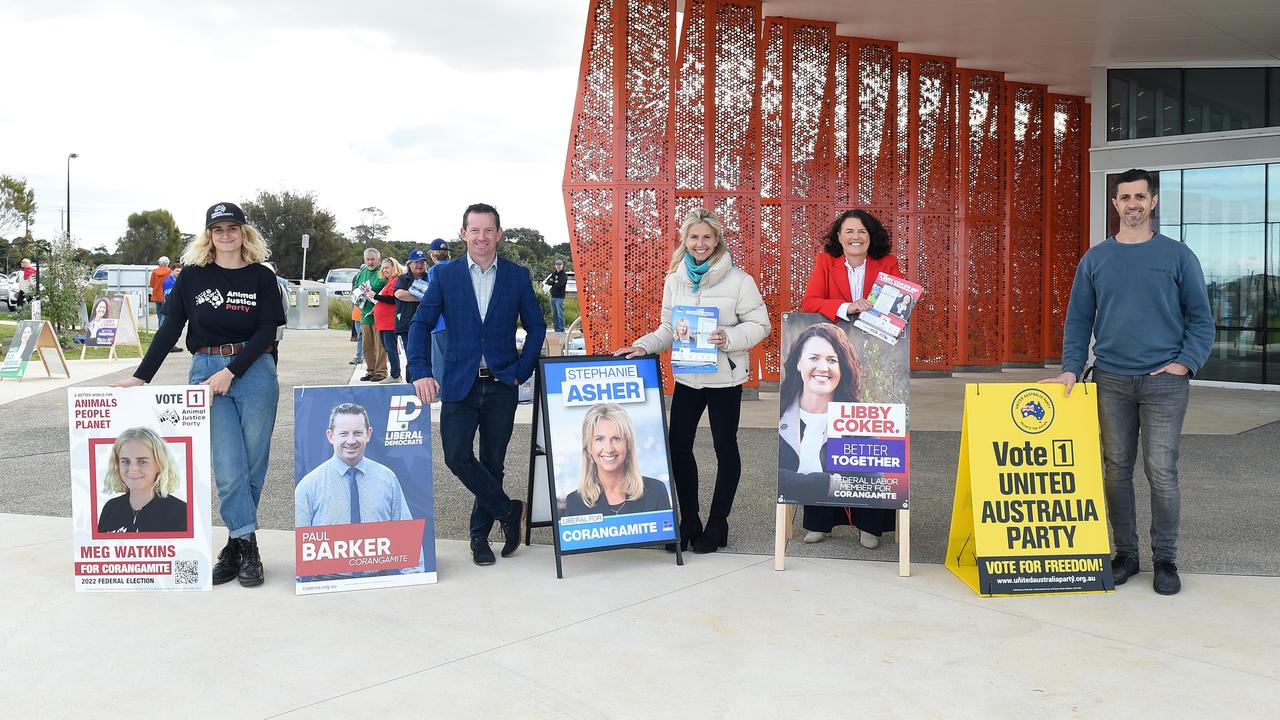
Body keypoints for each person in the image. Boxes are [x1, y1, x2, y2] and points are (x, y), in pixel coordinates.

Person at [1044, 168, 1214, 596]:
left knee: (1162, 471)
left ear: (1153, 202)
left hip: (1164, 383)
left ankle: (1165, 560)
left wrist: (1185, 363)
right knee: (1116, 470)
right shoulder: (1096, 259)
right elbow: (1079, 320)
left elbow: (1202, 319)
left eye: (1141, 196)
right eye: (1125, 197)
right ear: (1115, 204)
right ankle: (1126, 555)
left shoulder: (1178, 256)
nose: (1133, 204)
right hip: (1111, 380)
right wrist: (1071, 366)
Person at [114, 202, 285, 588]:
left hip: (254, 370)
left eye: (233, 229)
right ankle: (249, 546)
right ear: (208, 235)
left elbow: (265, 331)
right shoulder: (192, 277)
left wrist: (232, 371)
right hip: (205, 372)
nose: (226, 236)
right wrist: (141, 377)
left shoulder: (261, 277)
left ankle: (234, 545)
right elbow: (170, 328)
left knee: (253, 465)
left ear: (244, 233)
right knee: (227, 467)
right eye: (218, 229)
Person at [615, 207, 770, 554]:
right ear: (684, 240)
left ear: (717, 241)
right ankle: (690, 521)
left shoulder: (740, 280)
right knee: (678, 446)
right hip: (688, 377)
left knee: (724, 448)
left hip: (724, 378)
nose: (700, 243)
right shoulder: (675, 279)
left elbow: (761, 325)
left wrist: (727, 337)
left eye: (707, 237)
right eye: (694, 237)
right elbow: (668, 329)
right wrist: (642, 346)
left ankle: (717, 524)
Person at [407, 203, 545, 566]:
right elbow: (420, 325)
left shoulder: (517, 275)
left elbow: (537, 327)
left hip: (503, 383)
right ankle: (508, 510)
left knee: (492, 462)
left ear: (499, 234)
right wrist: (420, 370)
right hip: (459, 383)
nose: (481, 237)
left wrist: (522, 369)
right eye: (475, 230)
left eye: (488, 230)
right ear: (463, 233)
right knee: (456, 457)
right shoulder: (445, 276)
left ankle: (479, 536)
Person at [796, 209, 901, 547]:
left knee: (866, 441)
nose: (855, 236)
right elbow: (810, 301)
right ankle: (820, 522)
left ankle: (870, 524)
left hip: (875, 361)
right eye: (848, 231)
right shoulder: (826, 261)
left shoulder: (888, 264)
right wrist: (847, 307)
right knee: (823, 436)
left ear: (871, 237)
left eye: (862, 231)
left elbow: (900, 309)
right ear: (839, 237)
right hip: (834, 359)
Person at [777, 322, 890, 549]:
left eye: (832, 360)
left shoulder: (859, 415)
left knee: (857, 461)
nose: (823, 367)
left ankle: (867, 526)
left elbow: (874, 482)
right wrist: (827, 483)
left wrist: (805, 483)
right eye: (814, 358)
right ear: (799, 362)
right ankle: (817, 523)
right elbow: (780, 477)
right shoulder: (784, 412)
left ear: (843, 367)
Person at [295, 403, 415, 527]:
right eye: (343, 434)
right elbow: (300, 543)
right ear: (330, 436)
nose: (351, 441)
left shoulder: (388, 479)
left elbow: (407, 541)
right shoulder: (308, 486)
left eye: (357, 433)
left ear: (368, 434)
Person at [563, 403, 672, 517]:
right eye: (599, 439)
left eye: (616, 439)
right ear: (589, 447)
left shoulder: (656, 491)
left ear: (628, 444)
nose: (609, 449)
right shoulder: (574, 502)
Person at [97, 427, 187, 534]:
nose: (133, 469)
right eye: (125, 461)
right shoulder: (110, 508)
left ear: (160, 465)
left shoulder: (181, 512)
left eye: (142, 461)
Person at [393, 249, 430, 382]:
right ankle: (410, 386)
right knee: (412, 357)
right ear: (409, 264)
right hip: (407, 324)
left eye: (422, 262)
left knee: (428, 357)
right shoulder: (403, 279)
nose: (419, 265)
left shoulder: (430, 277)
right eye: (416, 262)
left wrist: (415, 295)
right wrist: (425, 297)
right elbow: (400, 294)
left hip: (428, 324)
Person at [368, 256, 405, 382]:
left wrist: (376, 296)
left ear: (394, 267)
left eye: (387, 267)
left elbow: (393, 299)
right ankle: (395, 374)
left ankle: (396, 375)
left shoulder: (396, 281)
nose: (384, 270)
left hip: (390, 321)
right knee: (387, 347)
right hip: (383, 322)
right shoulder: (389, 282)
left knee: (391, 347)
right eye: (383, 268)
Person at [353, 247, 388, 382]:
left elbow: (387, 289)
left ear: (378, 259)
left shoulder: (382, 272)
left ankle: (381, 371)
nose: (370, 262)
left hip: (380, 315)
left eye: (373, 259)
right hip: (365, 314)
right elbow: (356, 287)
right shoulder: (362, 272)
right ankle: (371, 370)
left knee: (380, 345)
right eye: (368, 259)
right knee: (367, 345)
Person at [425, 238, 451, 379]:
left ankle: (442, 392)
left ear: (433, 254)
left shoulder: (434, 270)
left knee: (439, 361)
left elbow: (433, 295)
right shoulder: (456, 267)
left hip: (439, 321)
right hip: (456, 321)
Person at [544, 258, 568, 332]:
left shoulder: (564, 275)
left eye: (560, 265)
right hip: (553, 297)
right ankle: (556, 329)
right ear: (555, 266)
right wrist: (554, 282)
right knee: (554, 314)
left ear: (562, 266)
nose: (558, 266)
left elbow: (560, 284)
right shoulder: (553, 274)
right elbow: (548, 282)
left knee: (560, 314)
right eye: (557, 265)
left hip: (559, 297)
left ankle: (561, 329)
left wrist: (553, 282)